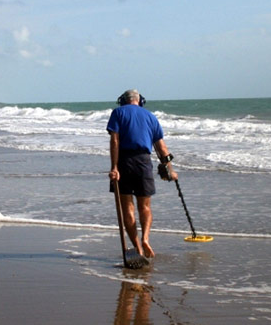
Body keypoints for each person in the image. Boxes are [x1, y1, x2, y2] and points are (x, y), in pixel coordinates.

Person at [107, 89, 177, 258]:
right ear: (140, 101)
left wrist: (114, 167)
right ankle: (146, 238)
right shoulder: (151, 116)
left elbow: (115, 140)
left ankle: (137, 247)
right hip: (144, 162)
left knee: (127, 207)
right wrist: (170, 169)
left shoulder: (118, 113)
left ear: (124, 101)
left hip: (124, 161)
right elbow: (162, 148)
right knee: (144, 206)